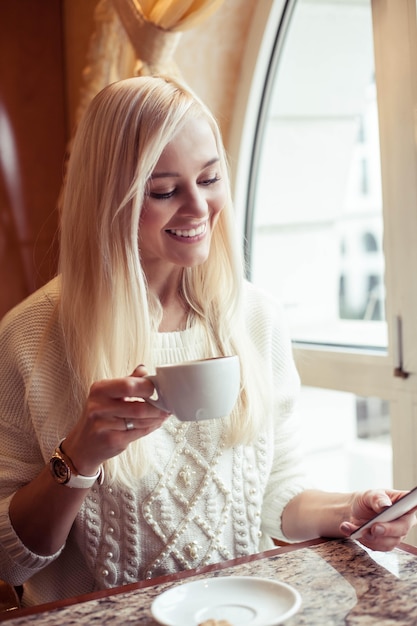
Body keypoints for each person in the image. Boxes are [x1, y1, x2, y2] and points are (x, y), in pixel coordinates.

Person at [0, 75, 415, 608]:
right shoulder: (29, 339)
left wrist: (350, 510)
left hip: (240, 612)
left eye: (210, 177)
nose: (199, 209)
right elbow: (10, 560)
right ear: (109, 201)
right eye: (165, 190)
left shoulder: (255, 317)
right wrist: (78, 459)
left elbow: (275, 493)